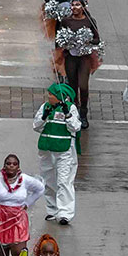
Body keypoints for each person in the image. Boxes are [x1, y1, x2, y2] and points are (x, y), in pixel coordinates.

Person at [33, 82, 82, 225]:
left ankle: (65, 213)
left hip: (64, 151)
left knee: (64, 181)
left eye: (51, 94)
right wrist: (44, 117)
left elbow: (76, 127)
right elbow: (36, 126)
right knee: (48, 181)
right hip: (47, 150)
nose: (48, 96)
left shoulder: (70, 108)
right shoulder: (45, 107)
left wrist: (68, 115)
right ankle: (52, 209)